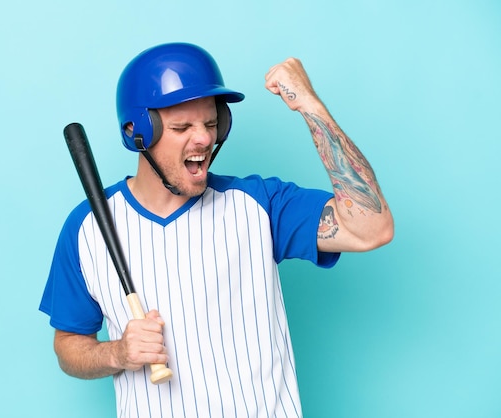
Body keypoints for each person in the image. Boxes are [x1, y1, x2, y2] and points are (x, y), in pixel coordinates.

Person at [40, 42, 393, 417]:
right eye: (182, 127)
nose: (205, 139)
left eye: (211, 123)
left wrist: (311, 106)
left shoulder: (260, 204)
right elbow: (68, 344)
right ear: (137, 132)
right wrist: (117, 353)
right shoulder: (87, 227)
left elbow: (372, 227)